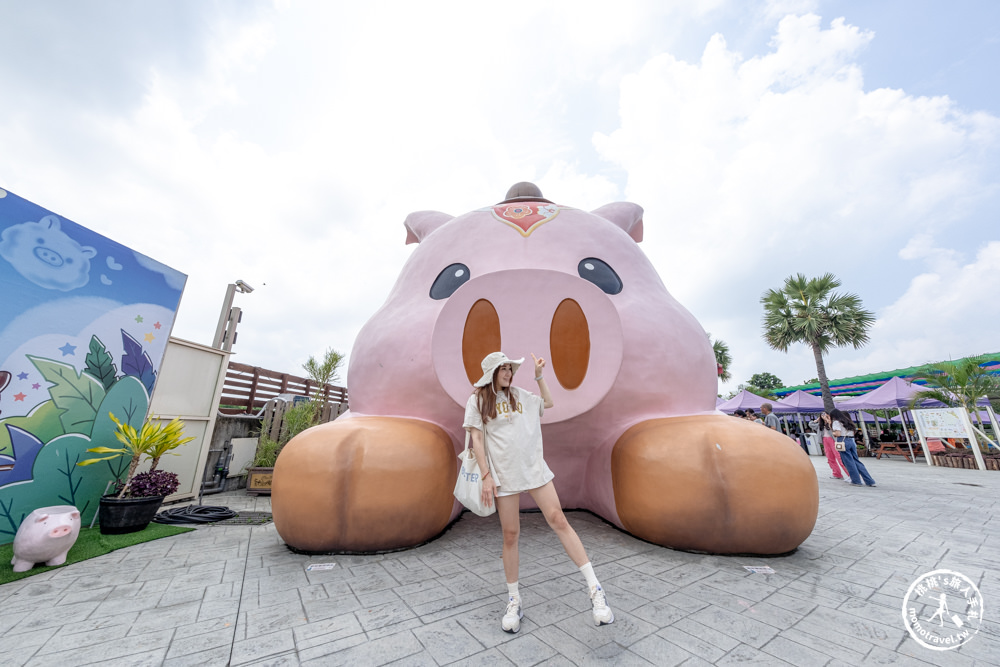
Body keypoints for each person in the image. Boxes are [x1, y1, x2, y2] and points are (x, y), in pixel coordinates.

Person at [464, 351, 614, 633]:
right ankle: (513, 600)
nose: (509, 373)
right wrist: (486, 476)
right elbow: (476, 438)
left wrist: (539, 377)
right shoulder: (478, 400)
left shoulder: (520, 395)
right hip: (504, 476)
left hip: (534, 470)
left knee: (559, 520)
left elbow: (548, 402)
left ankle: (596, 591)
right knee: (510, 535)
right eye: (504, 369)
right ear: (492, 373)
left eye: (510, 369)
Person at [830, 408, 877, 487]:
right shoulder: (848, 421)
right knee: (856, 461)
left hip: (843, 441)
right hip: (851, 440)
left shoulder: (836, 422)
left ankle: (856, 480)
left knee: (849, 462)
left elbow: (838, 434)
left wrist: (833, 432)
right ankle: (869, 480)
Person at [810, 411, 850, 480]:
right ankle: (836, 474)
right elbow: (810, 424)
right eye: (822, 414)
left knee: (839, 458)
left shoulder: (832, 423)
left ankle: (850, 474)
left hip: (833, 440)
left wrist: (829, 421)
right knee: (830, 458)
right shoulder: (820, 425)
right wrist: (817, 420)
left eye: (825, 414)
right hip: (825, 440)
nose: (823, 415)